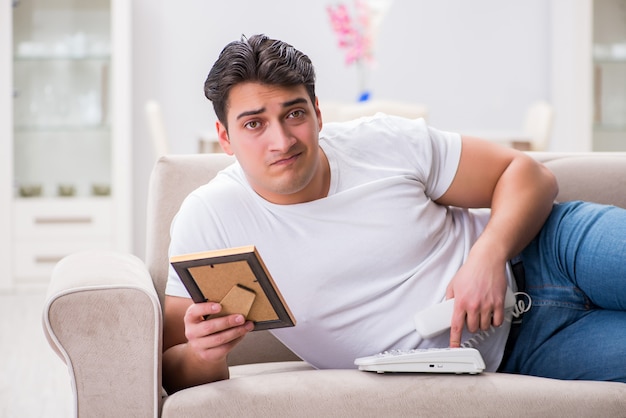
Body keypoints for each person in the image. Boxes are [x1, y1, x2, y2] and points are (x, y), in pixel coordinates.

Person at [162, 34, 626, 393]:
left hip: (554, 248)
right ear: (225, 137)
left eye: (294, 114)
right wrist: (206, 356)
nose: (281, 141)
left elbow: (528, 174)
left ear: (318, 114)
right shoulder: (210, 219)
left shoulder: (379, 141)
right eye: (254, 124)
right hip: (523, 349)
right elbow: (166, 362)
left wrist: (487, 256)